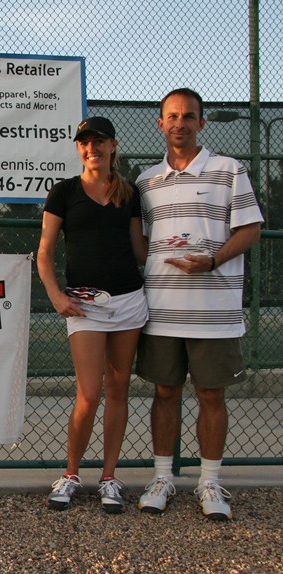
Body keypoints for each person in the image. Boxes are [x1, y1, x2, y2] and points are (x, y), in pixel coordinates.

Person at [135, 88, 263, 521]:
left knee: (211, 394)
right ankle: (162, 478)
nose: (180, 123)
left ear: (201, 123)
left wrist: (212, 260)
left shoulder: (229, 170)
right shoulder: (146, 181)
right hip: (161, 311)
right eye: (172, 116)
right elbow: (144, 243)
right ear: (160, 124)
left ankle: (209, 482)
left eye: (189, 116)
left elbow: (250, 230)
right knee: (164, 392)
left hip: (215, 312)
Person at [37, 116, 148, 513]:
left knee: (118, 389)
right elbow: (45, 252)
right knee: (88, 393)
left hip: (129, 302)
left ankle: (109, 477)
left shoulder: (129, 192)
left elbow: (141, 251)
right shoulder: (64, 192)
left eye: (99, 141)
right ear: (78, 148)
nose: (92, 148)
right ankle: (70, 474)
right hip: (84, 306)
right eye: (85, 142)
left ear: (113, 146)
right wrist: (55, 295)